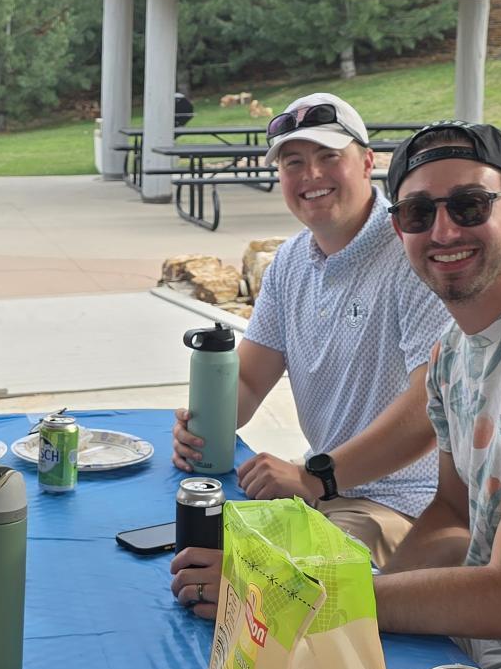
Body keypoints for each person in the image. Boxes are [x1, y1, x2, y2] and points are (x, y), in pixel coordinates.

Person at [171, 120, 501, 669]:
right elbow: (452, 515)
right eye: (419, 213)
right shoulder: (456, 347)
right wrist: (364, 611)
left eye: (470, 205)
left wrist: (304, 598)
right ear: (398, 228)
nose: (444, 229)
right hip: (478, 640)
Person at [170, 93, 448, 567]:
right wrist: (203, 423)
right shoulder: (290, 263)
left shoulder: (412, 253)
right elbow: (250, 380)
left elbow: (429, 409)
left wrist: (318, 478)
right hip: (322, 492)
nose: (311, 176)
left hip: (400, 505)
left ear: (367, 162)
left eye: (328, 157)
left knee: (252, 584)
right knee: (192, 541)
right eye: (293, 162)